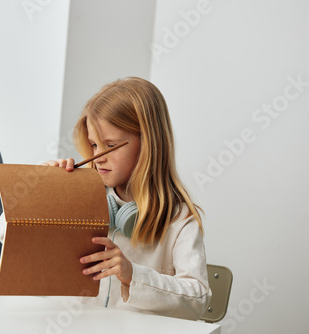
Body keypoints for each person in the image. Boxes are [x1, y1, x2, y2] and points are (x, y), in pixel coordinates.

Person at [43, 77, 211, 320]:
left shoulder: (179, 219)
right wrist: (44, 194)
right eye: (93, 144)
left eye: (109, 145)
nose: (98, 157)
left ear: (148, 144)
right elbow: (8, 235)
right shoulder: (78, 199)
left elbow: (199, 299)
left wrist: (134, 275)